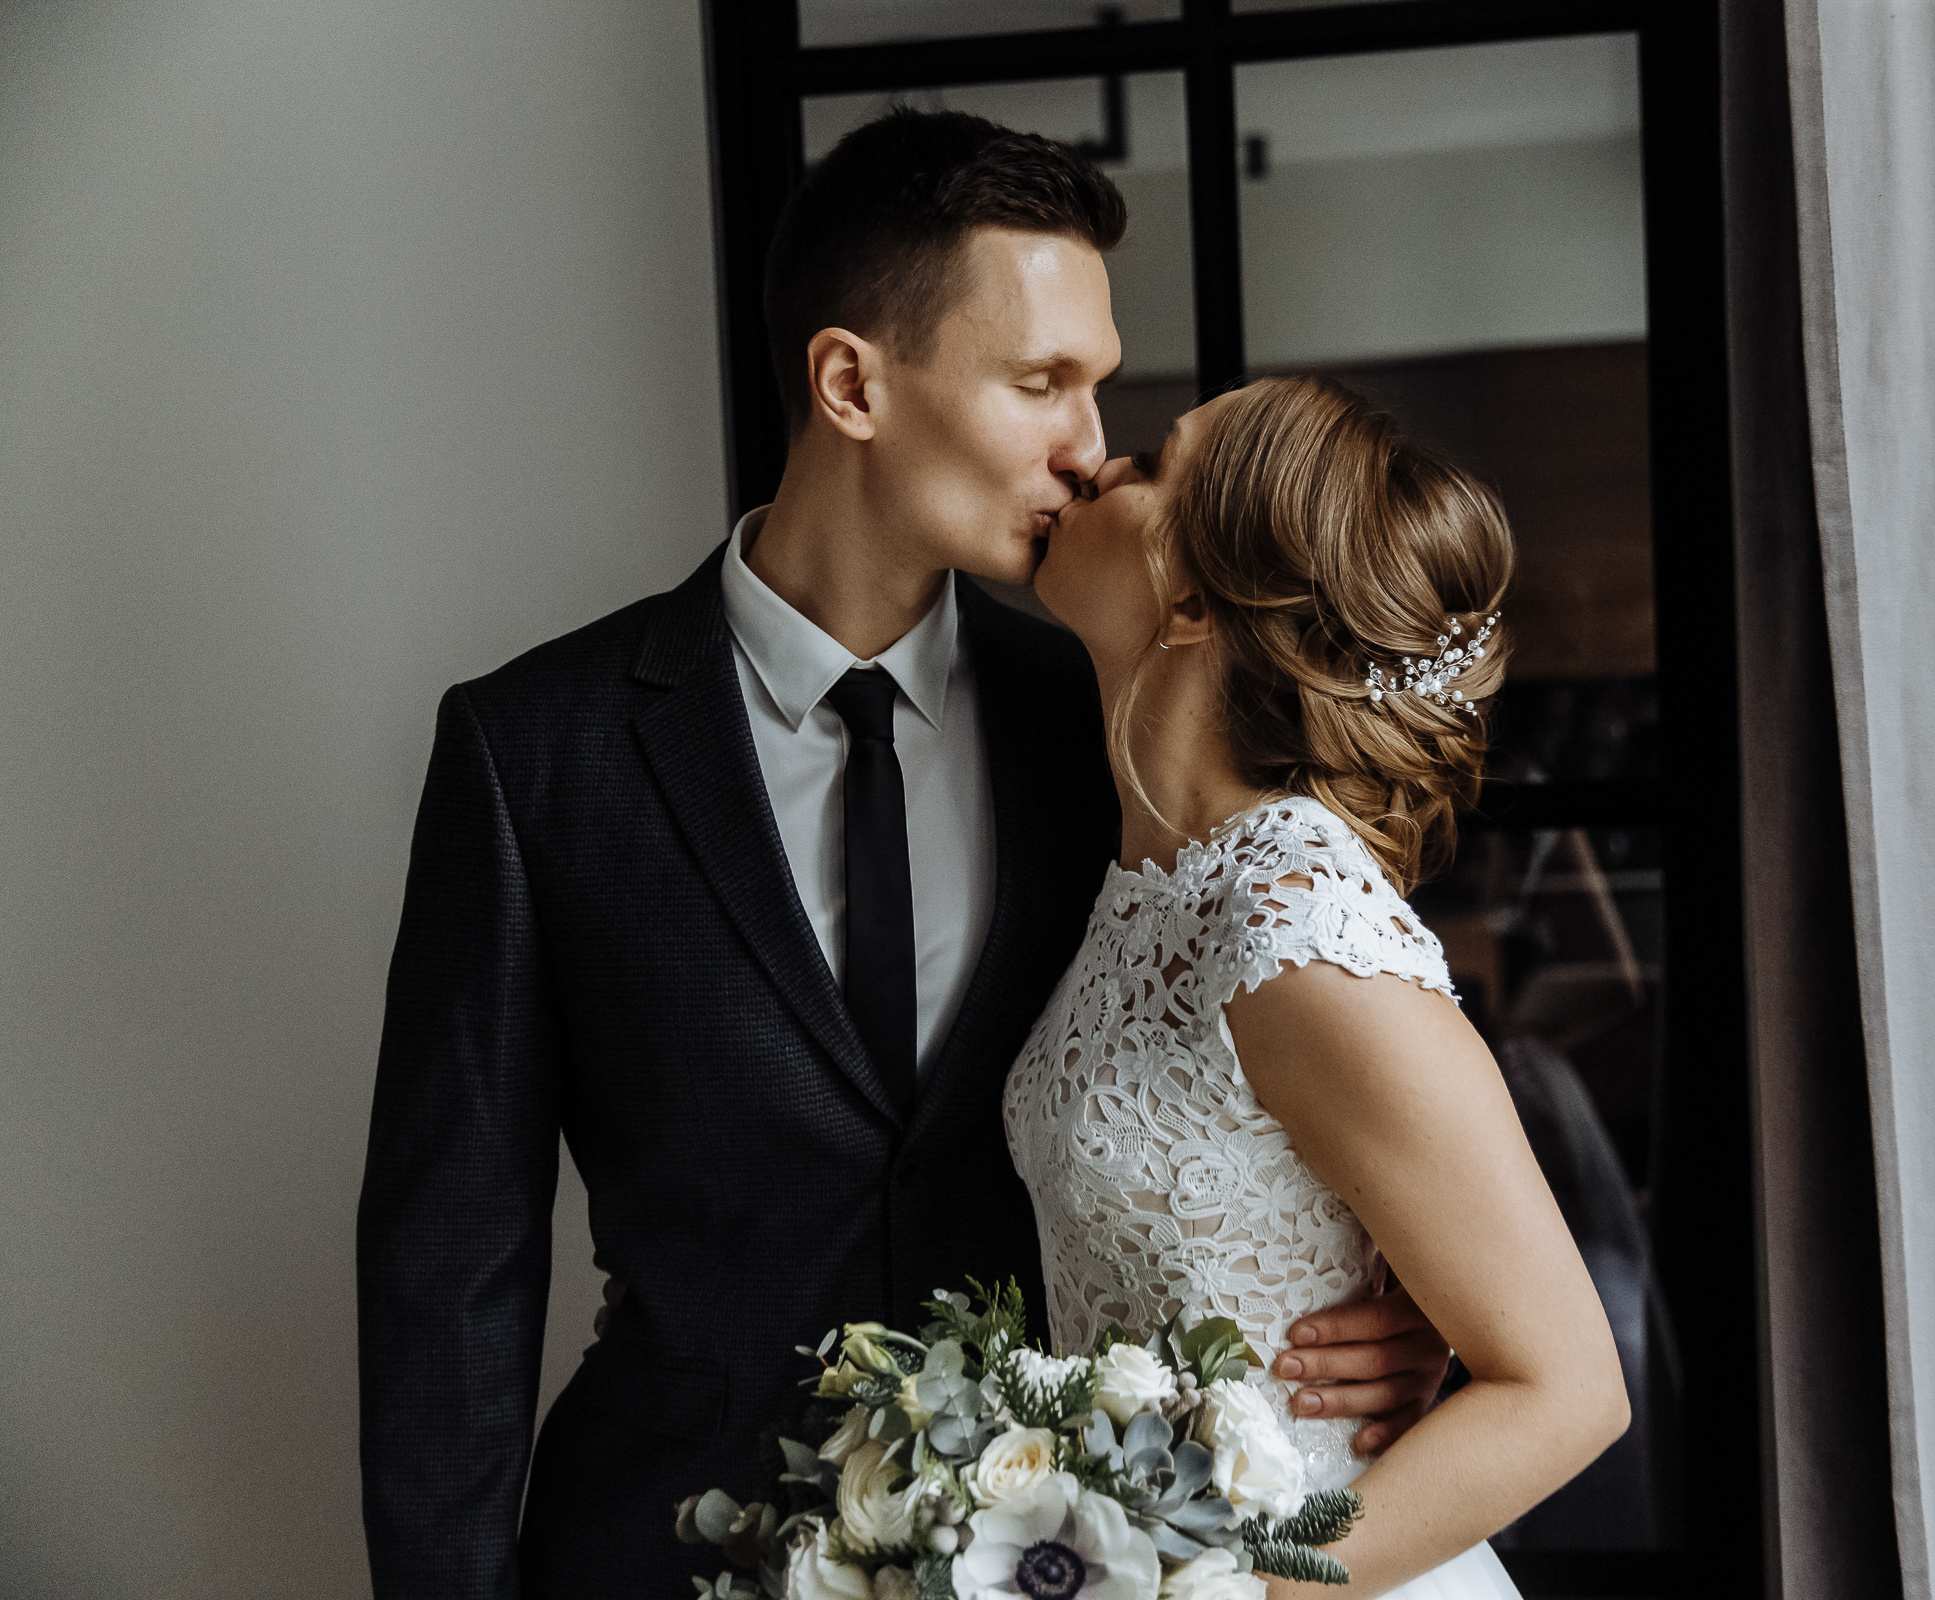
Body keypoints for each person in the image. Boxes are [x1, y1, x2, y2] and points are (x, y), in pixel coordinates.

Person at [355, 111, 1449, 1600]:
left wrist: (1400, 1305)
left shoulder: (1117, 717)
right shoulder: (533, 752)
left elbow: (1350, 1041)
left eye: (1099, 385)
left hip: (1063, 1558)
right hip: (659, 1550)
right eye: (1040, 382)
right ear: (852, 383)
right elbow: (450, 1267)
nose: (1089, 443)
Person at [1008, 375, 1632, 1599]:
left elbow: (1567, 1388)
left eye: (1150, 459)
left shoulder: (1298, 928)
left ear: (1189, 598)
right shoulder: (1158, 891)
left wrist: (1235, 1592)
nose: (1096, 464)